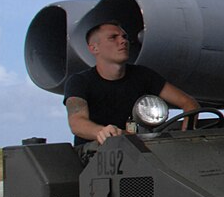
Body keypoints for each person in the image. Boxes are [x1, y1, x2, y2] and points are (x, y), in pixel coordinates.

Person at [64, 21, 199, 145]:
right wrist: (103, 132)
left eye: (124, 37)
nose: (123, 41)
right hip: (94, 157)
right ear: (94, 48)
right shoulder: (79, 82)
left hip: (138, 153)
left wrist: (186, 139)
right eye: (113, 37)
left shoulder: (143, 75)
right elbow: (77, 122)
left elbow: (189, 103)